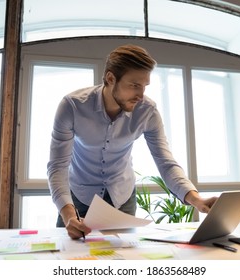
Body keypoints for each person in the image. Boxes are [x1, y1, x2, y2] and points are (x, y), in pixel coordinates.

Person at [47, 44, 217, 239]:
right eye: (134, 85)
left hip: (122, 197)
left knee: (124, 257)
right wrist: (69, 214)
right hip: (78, 197)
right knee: (70, 255)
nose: (141, 95)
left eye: (145, 86)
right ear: (111, 78)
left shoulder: (148, 111)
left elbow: (165, 162)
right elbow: (58, 166)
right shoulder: (72, 106)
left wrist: (196, 200)